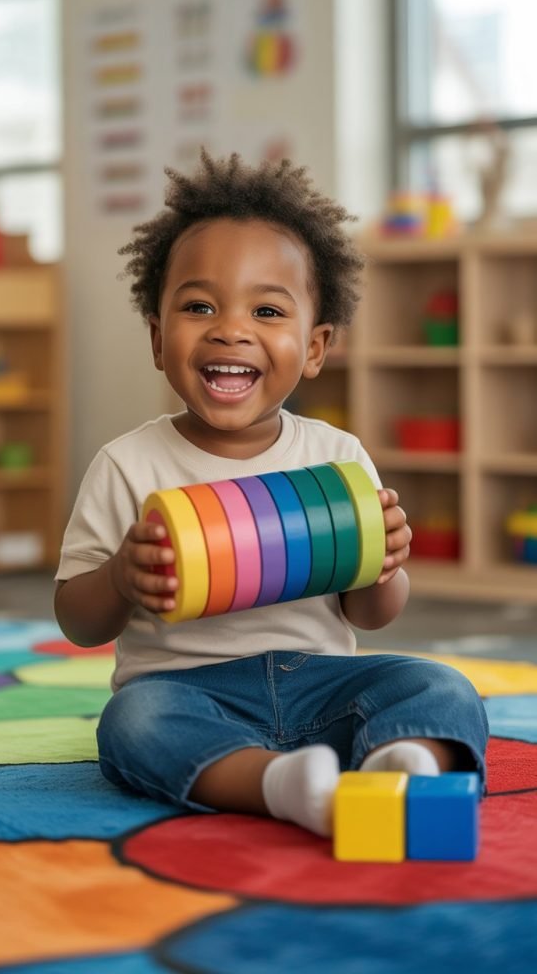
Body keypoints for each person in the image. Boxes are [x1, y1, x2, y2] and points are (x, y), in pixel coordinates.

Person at [54, 149, 488, 838]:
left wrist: (383, 565)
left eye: (266, 309)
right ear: (158, 339)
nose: (231, 328)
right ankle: (279, 785)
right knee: (132, 721)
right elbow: (79, 622)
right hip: (190, 691)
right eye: (199, 306)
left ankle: (401, 763)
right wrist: (121, 578)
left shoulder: (336, 456)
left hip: (323, 684)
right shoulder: (127, 464)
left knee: (439, 685)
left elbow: (372, 616)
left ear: (314, 347)